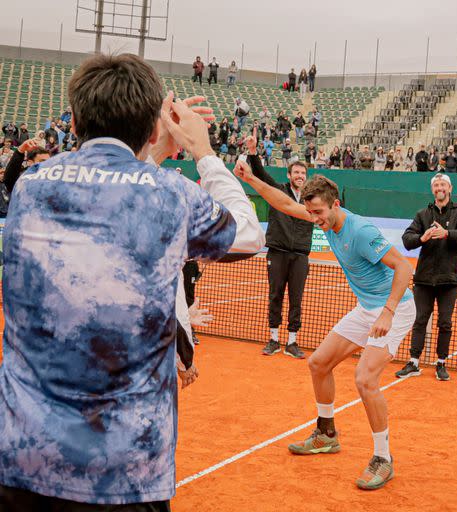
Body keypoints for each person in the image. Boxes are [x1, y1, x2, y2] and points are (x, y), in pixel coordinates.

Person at [0, 53, 265, 510]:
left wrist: (151, 149)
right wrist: (202, 152)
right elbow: (249, 234)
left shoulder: (31, 184)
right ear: (150, 126)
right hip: (127, 472)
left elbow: (104, 181)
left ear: (76, 119)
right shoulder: (171, 194)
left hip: (23, 464)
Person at [233, 164, 416, 490]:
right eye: (311, 212)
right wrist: (249, 179)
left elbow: (403, 266)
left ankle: (384, 459)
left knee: (365, 379)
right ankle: (327, 434)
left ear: (335, 204)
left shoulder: (360, 231)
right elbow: (286, 205)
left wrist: (387, 312)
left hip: (395, 308)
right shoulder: (323, 218)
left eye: (318, 212)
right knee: (318, 363)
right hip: (366, 309)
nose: (313, 218)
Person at [396, 173, 457, 381]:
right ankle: (413, 361)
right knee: (419, 320)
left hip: (449, 279)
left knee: (445, 323)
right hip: (424, 279)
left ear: (449, 188)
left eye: (443, 185)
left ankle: (441, 363)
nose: (440, 188)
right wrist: (422, 237)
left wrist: (447, 233)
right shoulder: (423, 214)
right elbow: (407, 239)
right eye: (436, 185)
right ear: (433, 190)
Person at [243, 137, 313, 358]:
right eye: (296, 173)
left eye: (303, 173)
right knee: (275, 295)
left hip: (300, 255)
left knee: (296, 298)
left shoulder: (312, 198)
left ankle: (292, 342)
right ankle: (274, 339)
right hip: (277, 252)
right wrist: (253, 151)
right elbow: (260, 175)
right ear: (289, 176)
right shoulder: (278, 190)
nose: (300, 176)